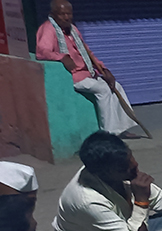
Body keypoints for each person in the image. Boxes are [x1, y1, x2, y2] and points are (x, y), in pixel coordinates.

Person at [35, 0, 140, 138]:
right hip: (74, 76)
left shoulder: (72, 29)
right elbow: (42, 51)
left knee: (116, 86)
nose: (66, 17)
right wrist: (61, 57)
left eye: (69, 13)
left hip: (88, 73)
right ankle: (108, 134)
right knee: (103, 90)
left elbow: (87, 52)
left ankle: (121, 129)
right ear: (53, 15)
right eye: (62, 14)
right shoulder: (49, 29)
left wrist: (104, 69)